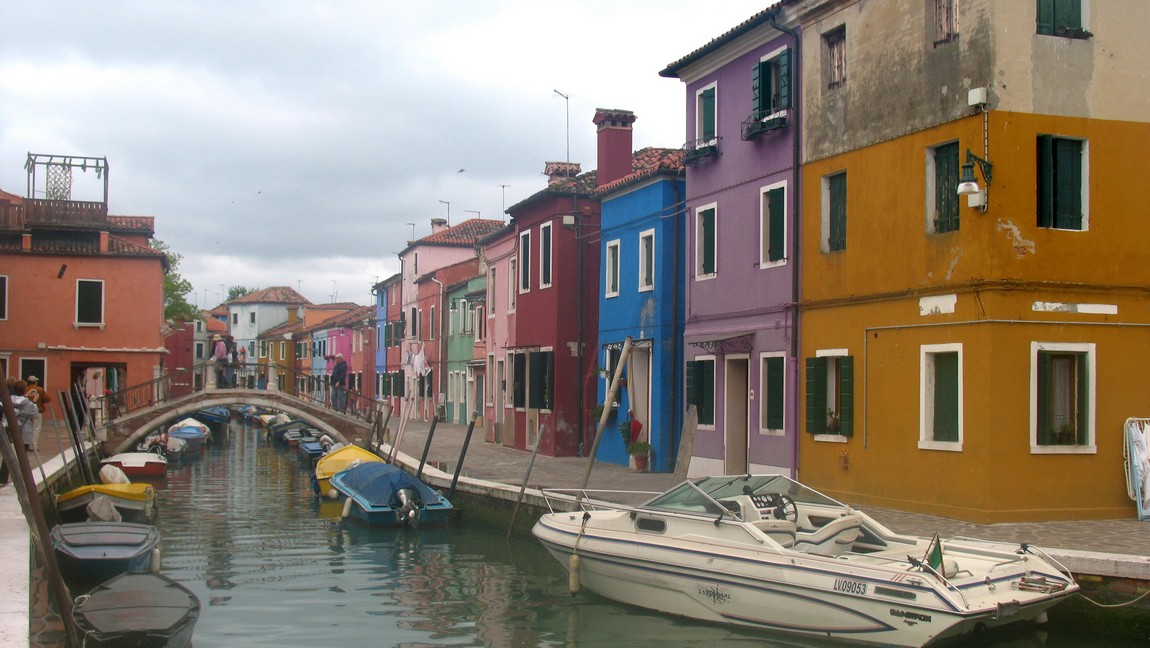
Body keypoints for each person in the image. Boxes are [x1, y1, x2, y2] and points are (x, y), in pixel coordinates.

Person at [22, 377, 46, 452]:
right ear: (35, 382)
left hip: (26, 412)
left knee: (27, 428)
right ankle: (33, 446)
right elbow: (47, 398)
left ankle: (27, 444)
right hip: (37, 411)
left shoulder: (24, 389)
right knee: (36, 428)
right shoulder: (40, 390)